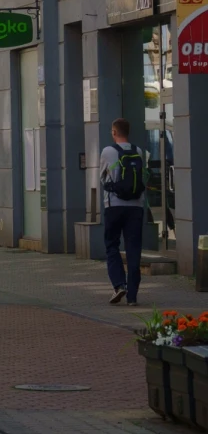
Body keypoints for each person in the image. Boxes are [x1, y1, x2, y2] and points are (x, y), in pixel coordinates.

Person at [101, 118, 146, 306]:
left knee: (112, 245)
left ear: (114, 132)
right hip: (136, 206)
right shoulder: (139, 151)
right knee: (133, 248)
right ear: (128, 132)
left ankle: (119, 285)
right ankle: (133, 296)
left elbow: (103, 177)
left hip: (114, 206)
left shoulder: (108, 151)